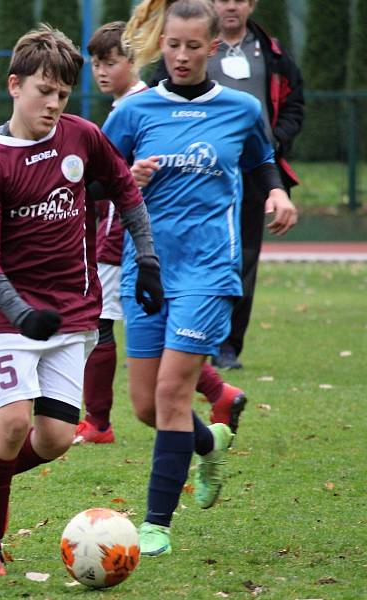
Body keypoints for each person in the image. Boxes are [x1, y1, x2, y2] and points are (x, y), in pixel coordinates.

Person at [0, 24, 162, 575]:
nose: (53, 105)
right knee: (11, 422)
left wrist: (146, 258)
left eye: (63, 95)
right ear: (14, 86)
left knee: (53, 440)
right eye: (43, 92)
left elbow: (123, 187)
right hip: (7, 318)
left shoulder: (80, 136)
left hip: (72, 313)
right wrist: (22, 314)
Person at [102, 0, 297, 556]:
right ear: (160, 43)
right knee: (144, 406)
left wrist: (278, 192)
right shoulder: (133, 114)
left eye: (193, 46)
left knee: (170, 392)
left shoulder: (239, 109)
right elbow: (95, 182)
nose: (182, 56)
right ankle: (209, 442)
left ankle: (156, 523)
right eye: (173, 45)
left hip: (209, 272)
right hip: (147, 270)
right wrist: (126, 177)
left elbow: (262, 162)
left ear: (214, 48)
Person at [75, 22, 247, 445]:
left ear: (133, 61)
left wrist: (127, 181)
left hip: (129, 245)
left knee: (100, 324)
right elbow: (96, 181)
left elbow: (113, 181)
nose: (100, 71)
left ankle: (98, 422)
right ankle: (217, 395)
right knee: (149, 373)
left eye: (109, 62)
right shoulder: (127, 108)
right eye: (95, 63)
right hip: (129, 245)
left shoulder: (142, 108)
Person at [149, 0, 304, 369]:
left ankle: (226, 344)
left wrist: (275, 149)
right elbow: (151, 107)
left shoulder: (272, 54)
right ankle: (167, 337)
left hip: (248, 170)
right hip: (191, 169)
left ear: (250, 5)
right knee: (176, 251)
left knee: (241, 256)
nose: (230, 6)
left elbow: (294, 106)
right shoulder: (151, 93)